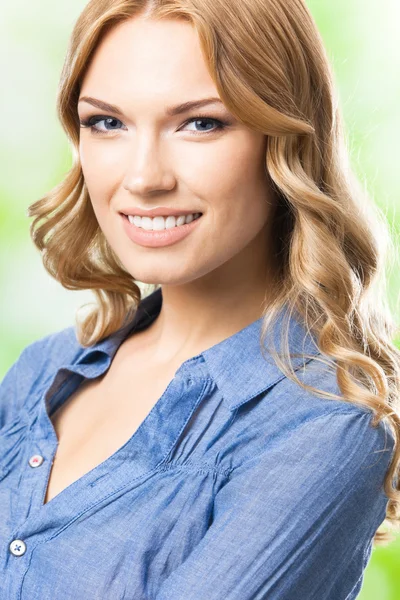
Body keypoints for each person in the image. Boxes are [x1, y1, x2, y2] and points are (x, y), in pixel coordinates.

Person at [1, 0, 399, 598]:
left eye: (201, 123)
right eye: (107, 122)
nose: (144, 177)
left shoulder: (323, 428)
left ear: (285, 138)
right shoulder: (42, 373)